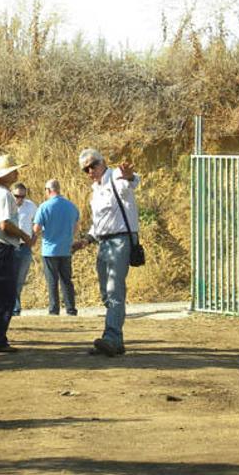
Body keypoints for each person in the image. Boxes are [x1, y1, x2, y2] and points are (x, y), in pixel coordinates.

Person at [72, 148, 141, 357]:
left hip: (120, 240)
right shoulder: (96, 189)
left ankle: (111, 337)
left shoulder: (115, 177)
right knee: (105, 291)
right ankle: (115, 341)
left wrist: (129, 175)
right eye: (86, 169)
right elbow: (99, 223)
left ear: (102, 162)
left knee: (114, 290)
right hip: (104, 243)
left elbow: (131, 182)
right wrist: (86, 240)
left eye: (93, 165)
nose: (91, 170)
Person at [0, 155, 33, 353]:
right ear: (6, 174)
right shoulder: (3, 195)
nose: (17, 173)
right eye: (13, 170)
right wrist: (24, 235)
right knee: (5, 296)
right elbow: (5, 224)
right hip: (2, 249)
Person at [33, 179, 80, 316]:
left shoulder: (44, 207)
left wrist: (44, 233)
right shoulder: (71, 206)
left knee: (52, 281)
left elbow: (36, 229)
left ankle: (54, 310)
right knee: (66, 280)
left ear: (48, 190)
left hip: (49, 250)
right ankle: (71, 309)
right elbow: (76, 228)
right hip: (66, 249)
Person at [11, 183, 38, 315]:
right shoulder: (7, 206)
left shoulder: (30, 206)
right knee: (11, 277)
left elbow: (37, 222)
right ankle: (14, 307)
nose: (19, 199)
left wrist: (35, 237)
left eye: (22, 196)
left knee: (20, 278)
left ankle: (15, 307)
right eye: (16, 196)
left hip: (25, 246)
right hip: (10, 246)